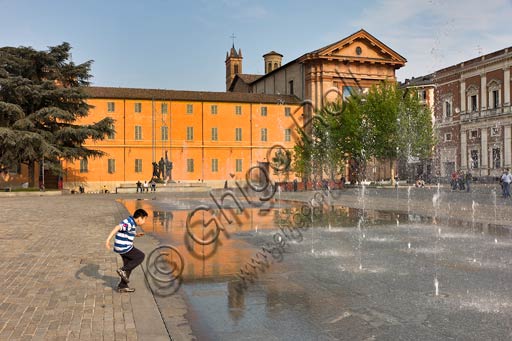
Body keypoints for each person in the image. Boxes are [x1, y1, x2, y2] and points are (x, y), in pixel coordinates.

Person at [105, 209, 148, 293]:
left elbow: (127, 231)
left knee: (129, 265)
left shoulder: (132, 222)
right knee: (140, 256)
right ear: (139, 218)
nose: (145, 222)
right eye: (144, 219)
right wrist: (108, 240)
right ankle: (123, 270)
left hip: (121, 247)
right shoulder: (129, 222)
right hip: (124, 247)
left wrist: (136, 234)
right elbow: (117, 227)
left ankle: (122, 286)